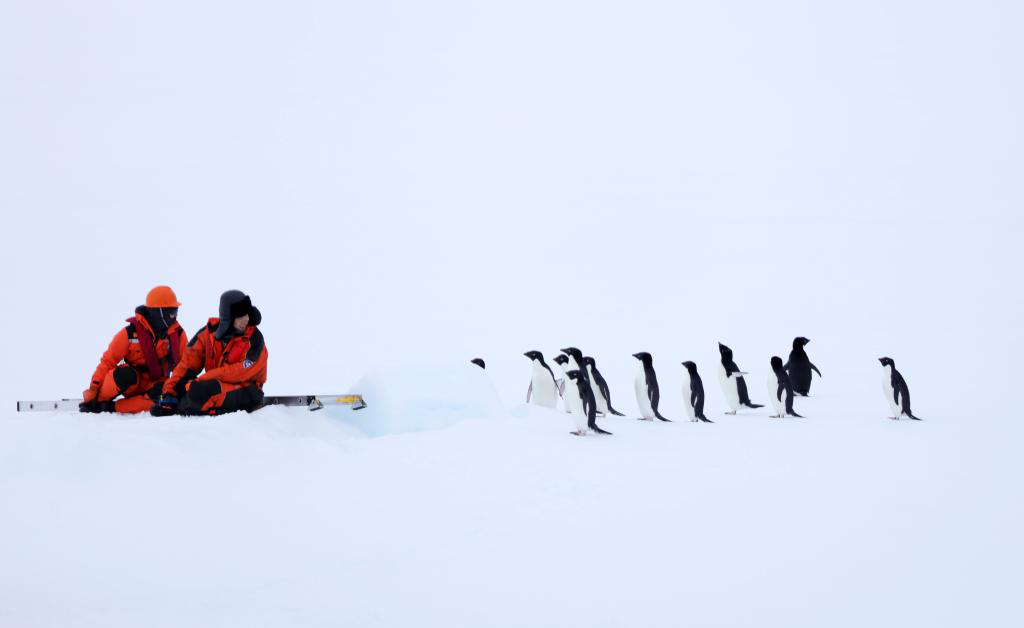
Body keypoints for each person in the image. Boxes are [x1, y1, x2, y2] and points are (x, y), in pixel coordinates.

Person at [152, 290, 268, 416]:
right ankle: (176, 404)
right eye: (239, 316)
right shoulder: (209, 333)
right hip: (216, 385)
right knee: (187, 386)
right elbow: (187, 364)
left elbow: (240, 372)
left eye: (246, 314)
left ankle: (181, 407)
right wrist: (169, 392)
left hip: (247, 389)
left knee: (199, 390)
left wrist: (202, 380)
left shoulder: (255, 340)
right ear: (228, 317)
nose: (245, 320)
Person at [80, 286, 187, 413]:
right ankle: (97, 400)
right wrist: (94, 389)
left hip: (155, 387)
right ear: (159, 313)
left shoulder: (178, 335)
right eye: (172, 312)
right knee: (123, 375)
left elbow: (185, 366)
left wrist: (182, 390)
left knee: (164, 393)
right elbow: (108, 361)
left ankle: (110, 407)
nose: (175, 316)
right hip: (132, 383)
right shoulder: (129, 333)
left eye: (176, 311)